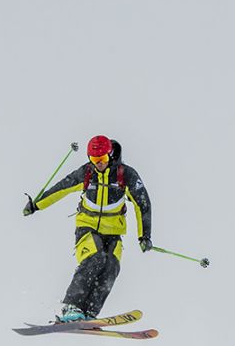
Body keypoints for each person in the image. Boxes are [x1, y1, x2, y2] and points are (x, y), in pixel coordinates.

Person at [22, 135, 152, 322]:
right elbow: (61, 188)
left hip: (114, 231)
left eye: (103, 160)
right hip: (88, 227)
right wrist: (36, 205)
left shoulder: (126, 175)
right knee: (94, 258)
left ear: (111, 155)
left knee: (111, 267)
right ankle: (71, 306)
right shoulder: (87, 173)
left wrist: (144, 236)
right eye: (95, 160)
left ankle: (89, 313)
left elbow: (143, 204)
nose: (99, 164)